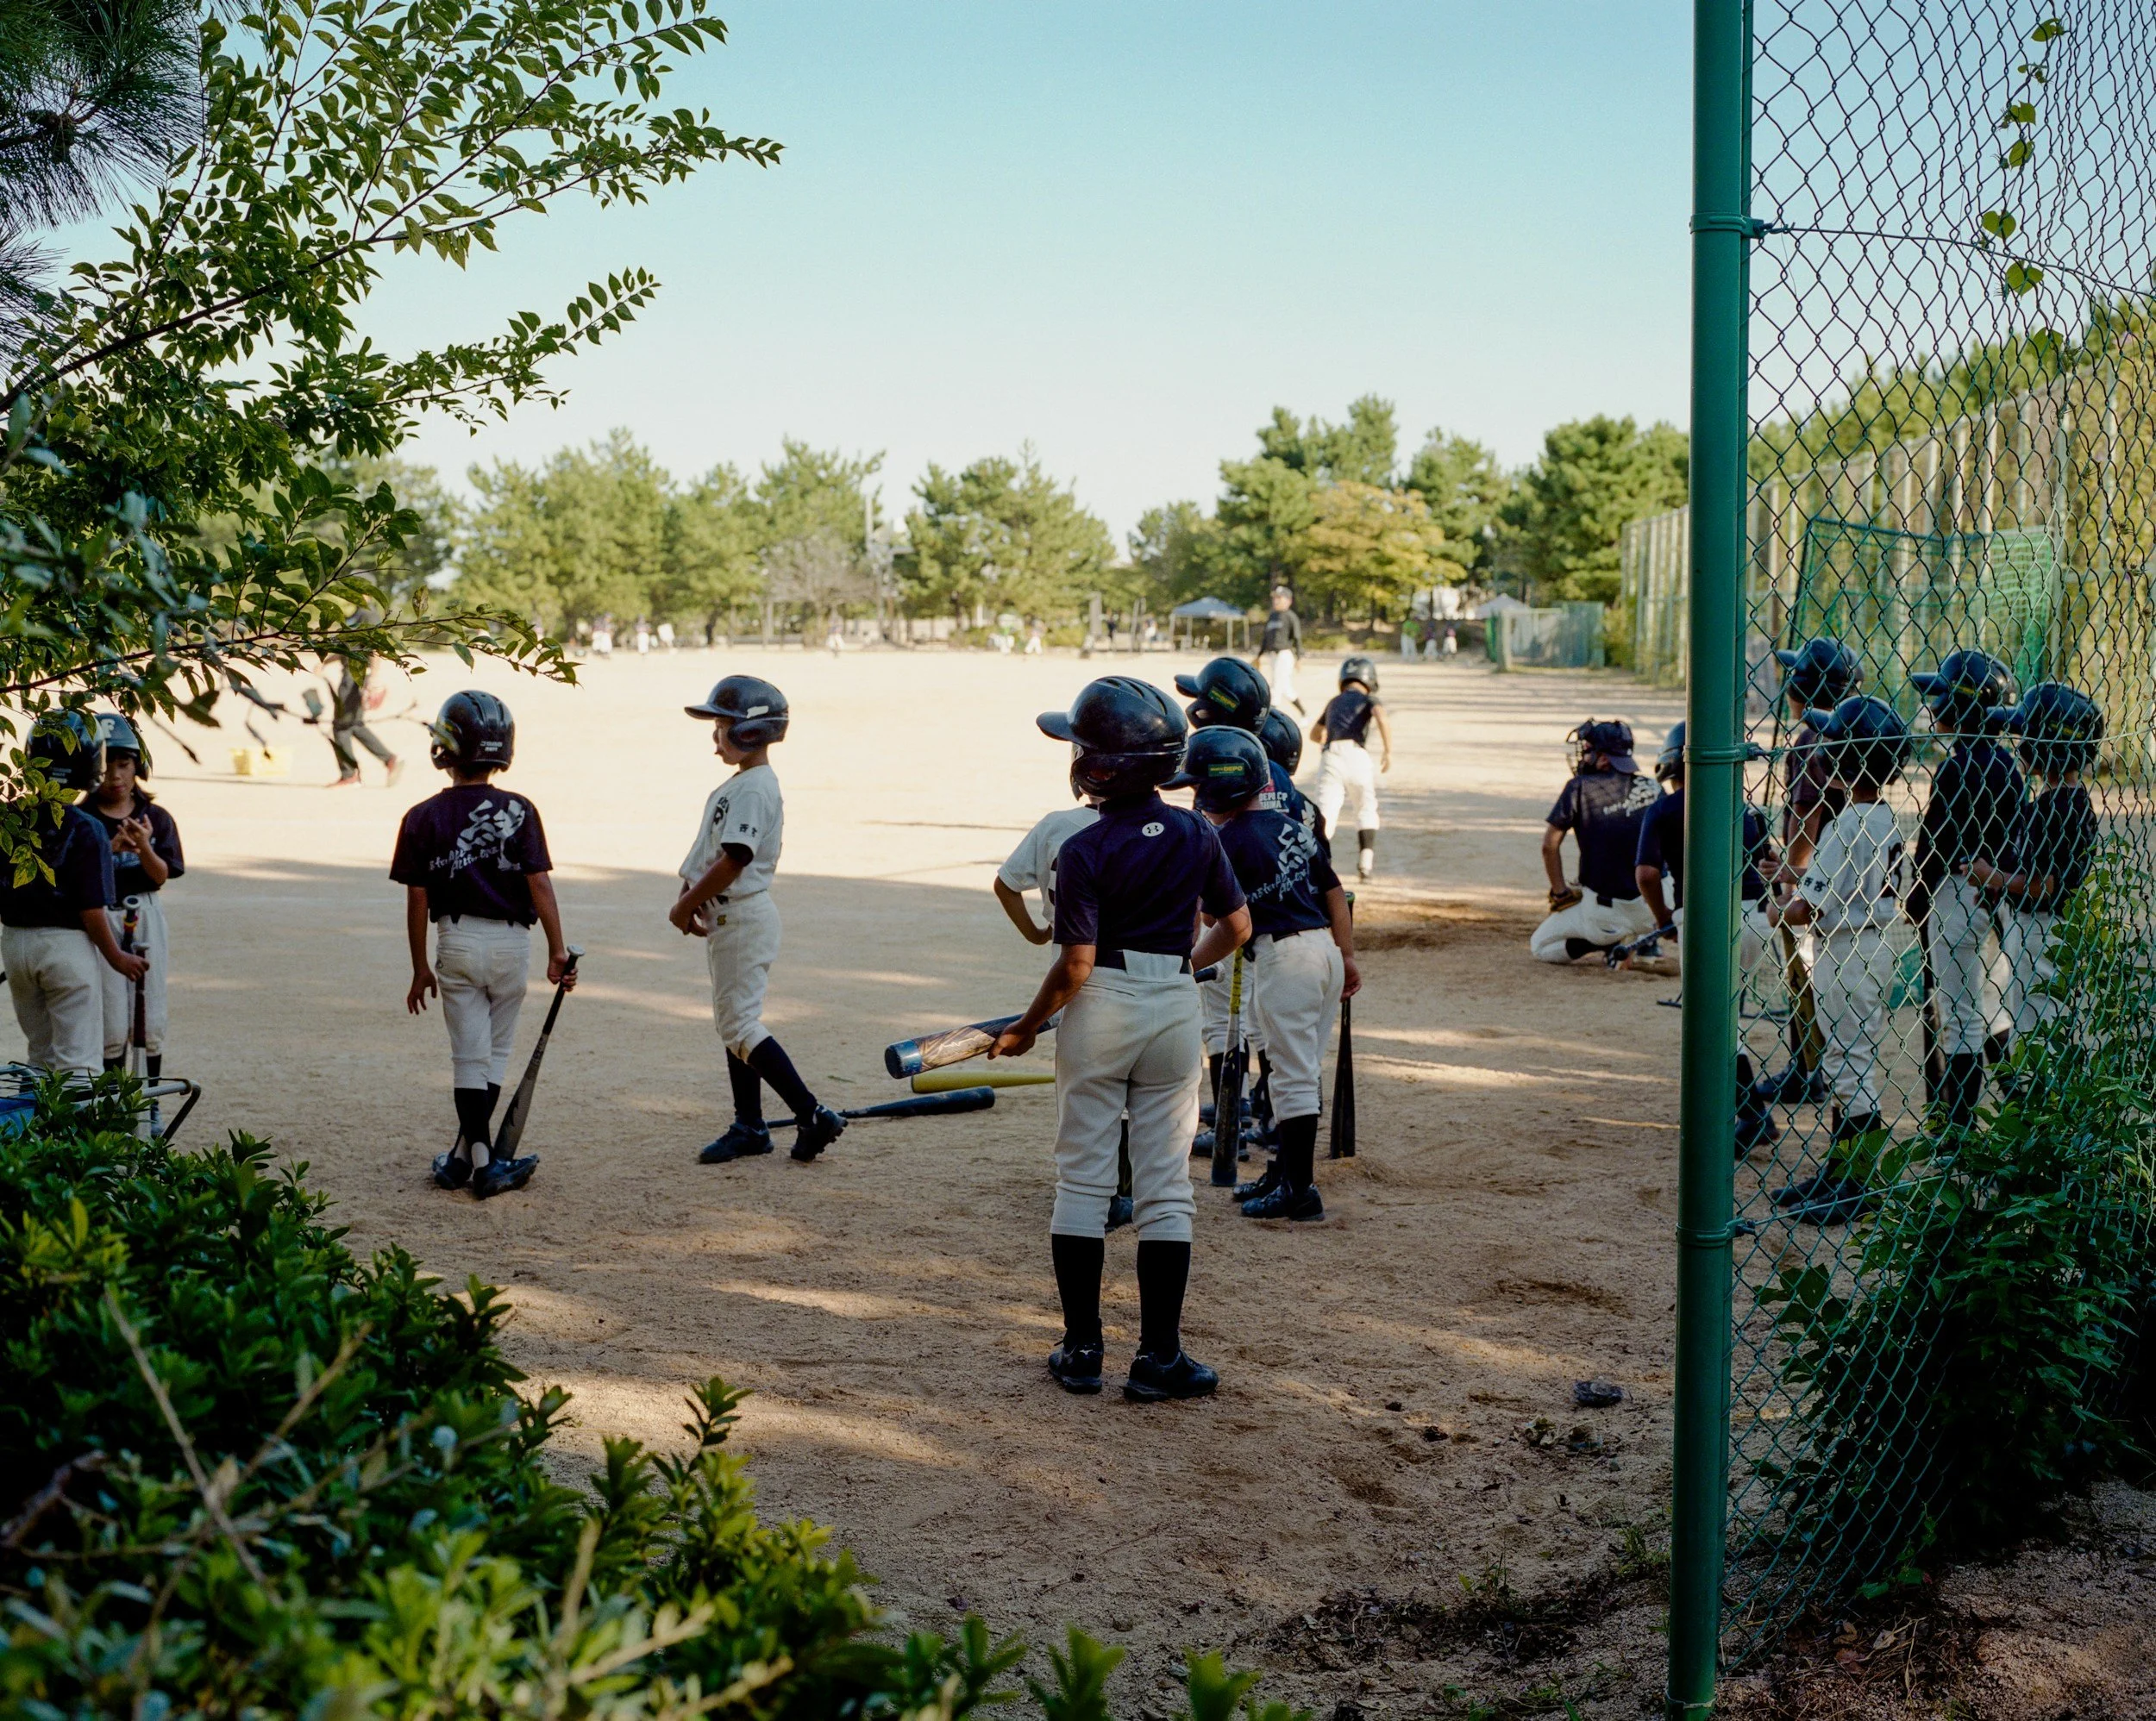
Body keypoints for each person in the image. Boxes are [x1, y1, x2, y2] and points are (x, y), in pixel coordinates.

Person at [990, 676, 1250, 1403]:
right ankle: (1159, 1358)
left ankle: (1081, 1350)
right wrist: (1176, 973)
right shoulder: (1198, 830)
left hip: (1100, 1005)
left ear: (1097, 766)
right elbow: (1235, 928)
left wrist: (1025, 1028)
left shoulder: (1083, 848)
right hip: (1171, 1002)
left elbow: (1074, 964)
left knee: (1083, 1179)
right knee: (1166, 1186)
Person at [394, 691, 574, 1198]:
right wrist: (557, 950)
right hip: (513, 946)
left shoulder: (421, 816)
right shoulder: (520, 809)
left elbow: (417, 898)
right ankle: (473, 1158)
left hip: (456, 940)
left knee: (468, 1059)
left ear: (445, 751)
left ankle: (474, 1160)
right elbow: (540, 885)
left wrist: (418, 967)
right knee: (493, 1055)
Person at [1176, 726, 1359, 1223]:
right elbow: (1335, 894)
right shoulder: (1293, 825)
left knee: (1292, 1074)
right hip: (1322, 951)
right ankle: (1285, 1173)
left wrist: (1188, 963)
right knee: (1296, 1069)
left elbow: (1222, 924)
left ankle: (1299, 1189)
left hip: (1285, 960)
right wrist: (1347, 956)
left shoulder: (1227, 839)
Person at [671, 675, 848, 1166]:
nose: (715, 738)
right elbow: (711, 852)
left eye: (722, 726)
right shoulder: (743, 784)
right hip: (733, 918)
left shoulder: (754, 787)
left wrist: (685, 907)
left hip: (743, 917)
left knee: (740, 1023)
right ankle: (749, 1124)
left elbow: (734, 858)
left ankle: (811, 1113)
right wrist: (687, 889)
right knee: (734, 1022)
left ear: (749, 731)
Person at [1764, 695, 1913, 1223]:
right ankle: (1840, 1172)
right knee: (1849, 1063)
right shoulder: (1884, 818)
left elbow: (1807, 909)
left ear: (1839, 761)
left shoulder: (1845, 824)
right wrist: (1790, 884)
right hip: (1870, 945)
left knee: (1848, 1068)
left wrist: (1779, 903)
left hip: (1847, 952)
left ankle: (1856, 1185)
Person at [1633, 721, 1778, 1152]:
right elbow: (1769, 861)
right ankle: (1742, 1111)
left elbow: (1645, 873)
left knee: (1714, 1024)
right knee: (1723, 1016)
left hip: (1707, 922)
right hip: (1757, 921)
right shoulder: (1746, 808)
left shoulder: (1666, 807)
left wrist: (1664, 919)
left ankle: (1752, 1115)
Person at [993, 784, 1132, 1231]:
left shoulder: (1057, 825)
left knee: (1084, 1092)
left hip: (1070, 976)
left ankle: (1091, 1193)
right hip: (1141, 974)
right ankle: (1123, 1191)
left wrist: (1039, 932)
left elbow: (1006, 884)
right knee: (1133, 1092)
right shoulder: (1162, 824)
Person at [1908, 649, 2024, 1127]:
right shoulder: (2008, 766)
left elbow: (1933, 847)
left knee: (1959, 1020)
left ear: (1961, 710)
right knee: (1990, 1008)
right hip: (1996, 896)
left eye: (1941, 700)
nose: (1934, 708)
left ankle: (1957, 1136)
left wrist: (1917, 901)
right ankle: (2023, 1109)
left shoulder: (1955, 769)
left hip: (1957, 893)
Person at [2, 713, 146, 1074]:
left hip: (15, 943)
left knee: (41, 1056)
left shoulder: (10, 819)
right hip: (64, 946)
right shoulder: (86, 827)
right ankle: (76, 1132)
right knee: (77, 1062)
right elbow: (91, 909)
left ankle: (36, 1130)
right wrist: (116, 957)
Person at [1753, 637, 1863, 1107]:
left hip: (1812, 876)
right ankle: (1807, 1069)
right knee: (1816, 978)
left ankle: (1807, 1072)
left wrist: (1790, 879)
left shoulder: (1809, 741)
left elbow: (1806, 817)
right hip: (1844, 874)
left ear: (1801, 688)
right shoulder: (1848, 732)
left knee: (1804, 977)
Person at [1969, 682, 2102, 1055]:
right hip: (2038, 929)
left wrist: (1990, 877)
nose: (2017, 742)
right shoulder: (2060, 801)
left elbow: (2045, 886)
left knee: (2035, 1031)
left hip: (2043, 931)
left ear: (2043, 746)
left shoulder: (2059, 810)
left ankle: (2036, 1105)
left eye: (2023, 735)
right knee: (2029, 1021)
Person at [85, 713, 185, 1077]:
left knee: (150, 1006)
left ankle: (150, 1099)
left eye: (124, 764)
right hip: (100, 915)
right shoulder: (83, 818)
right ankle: (113, 1098)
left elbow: (161, 876)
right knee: (110, 1013)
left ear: (137, 766)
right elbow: (80, 878)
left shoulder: (155, 817)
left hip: (144, 910)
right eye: (106, 765)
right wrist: (108, 849)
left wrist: (144, 846)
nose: (114, 776)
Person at [1531, 718, 1663, 961]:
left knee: (1540, 946)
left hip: (1604, 915)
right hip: (1655, 909)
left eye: (1589, 751)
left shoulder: (1579, 787)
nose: (1583, 758)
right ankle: (1647, 940)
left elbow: (1549, 846)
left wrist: (1560, 893)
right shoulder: (1654, 787)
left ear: (1604, 758)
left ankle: (1606, 943)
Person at [1310, 655, 1392, 881]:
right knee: (1365, 807)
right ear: (1369, 679)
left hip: (1331, 756)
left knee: (1325, 813)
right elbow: (1382, 719)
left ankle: (1318, 867)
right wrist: (1388, 751)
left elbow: (1314, 734)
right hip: (1357, 755)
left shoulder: (1334, 701)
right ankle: (1365, 864)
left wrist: (1327, 740)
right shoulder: (1369, 699)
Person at [327, 651, 404, 788]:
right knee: (354, 725)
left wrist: (374, 676)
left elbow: (375, 650)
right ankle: (389, 759)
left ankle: (350, 775)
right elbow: (344, 649)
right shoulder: (351, 630)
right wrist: (325, 662)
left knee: (341, 727)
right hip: (353, 677)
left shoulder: (359, 629)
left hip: (353, 679)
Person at [1258, 586, 1304, 713]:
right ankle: (1304, 714)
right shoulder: (1272, 616)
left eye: (1279, 598)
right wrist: (1259, 655)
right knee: (1286, 688)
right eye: (1275, 598)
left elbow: (1297, 638)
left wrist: (1299, 658)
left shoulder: (1290, 616)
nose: (1276, 600)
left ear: (1289, 600)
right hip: (1272, 656)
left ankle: (1270, 716)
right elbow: (1266, 638)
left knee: (1276, 687)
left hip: (1284, 655)